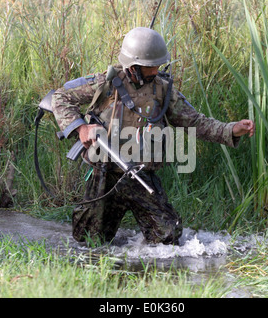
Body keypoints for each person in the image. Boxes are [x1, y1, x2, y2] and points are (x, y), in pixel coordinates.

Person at [52, 27, 255, 245]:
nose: (156, 71)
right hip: (104, 173)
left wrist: (231, 129)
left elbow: (195, 122)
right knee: (89, 241)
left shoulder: (163, 90)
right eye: (151, 66)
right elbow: (60, 97)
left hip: (140, 176)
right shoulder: (106, 83)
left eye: (158, 65)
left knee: (168, 238)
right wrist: (80, 128)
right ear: (133, 66)